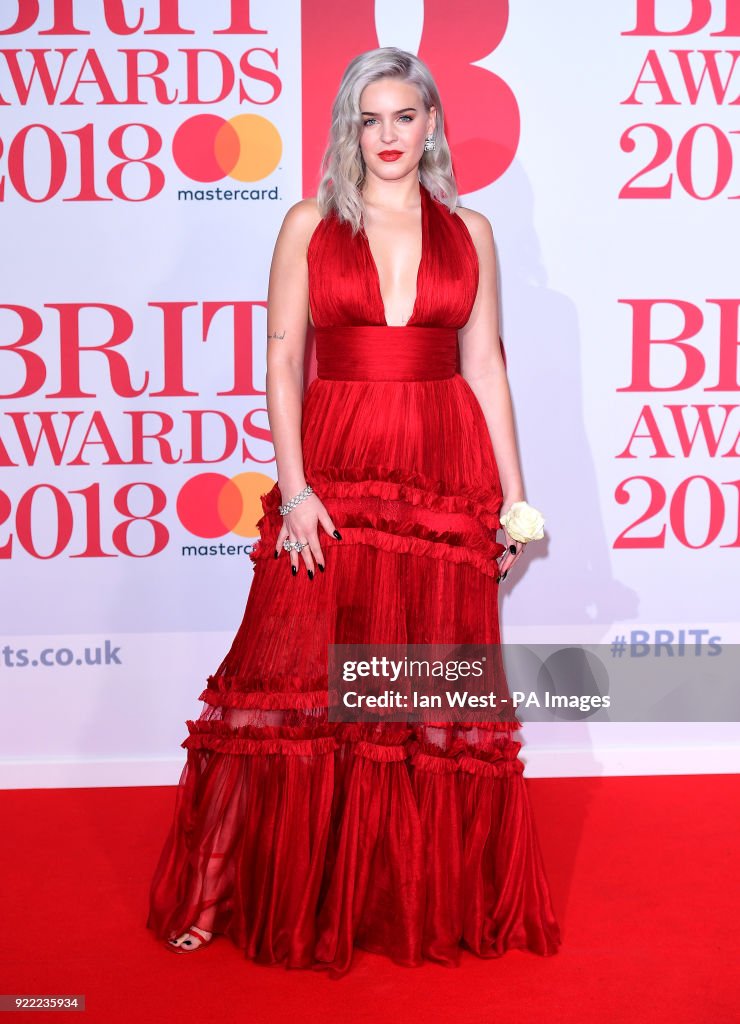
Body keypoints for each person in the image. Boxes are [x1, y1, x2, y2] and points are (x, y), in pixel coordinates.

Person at [147, 46, 561, 978]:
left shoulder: (472, 230)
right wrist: (293, 491)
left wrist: (514, 499)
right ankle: (219, 890)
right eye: (369, 119)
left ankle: (399, 896)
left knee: (412, 694)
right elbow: (282, 363)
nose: (387, 136)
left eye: (403, 117)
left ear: (431, 125)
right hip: (333, 473)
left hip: (443, 473)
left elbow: (485, 365)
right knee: (285, 684)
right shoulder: (308, 224)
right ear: (349, 127)